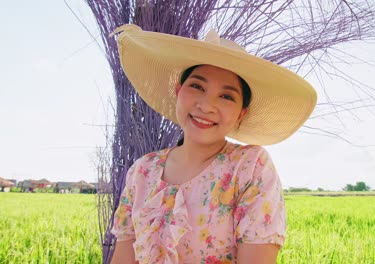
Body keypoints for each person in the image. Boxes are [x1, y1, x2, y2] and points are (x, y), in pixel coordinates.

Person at [109, 24, 317, 264]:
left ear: (241, 113)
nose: (206, 106)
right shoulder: (143, 171)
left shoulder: (249, 167)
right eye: (197, 86)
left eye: (227, 96)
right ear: (178, 92)